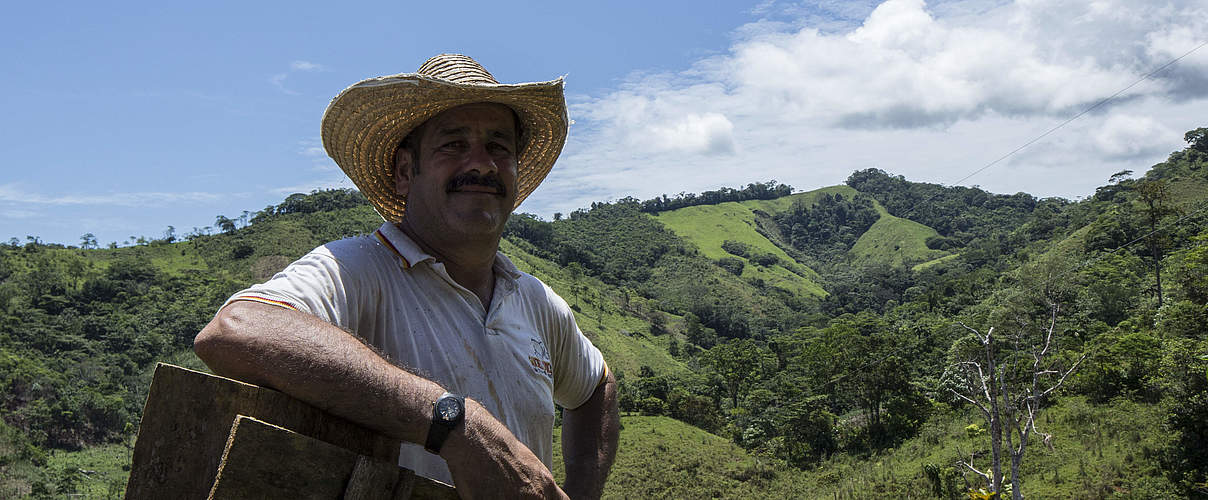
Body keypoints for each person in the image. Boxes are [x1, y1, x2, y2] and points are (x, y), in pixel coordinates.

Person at [194, 54, 619, 500]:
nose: (483, 164)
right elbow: (235, 330)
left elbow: (596, 386)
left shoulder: (534, 300)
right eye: (453, 144)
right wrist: (454, 425)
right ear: (403, 172)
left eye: (499, 146)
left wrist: (584, 490)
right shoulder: (359, 269)